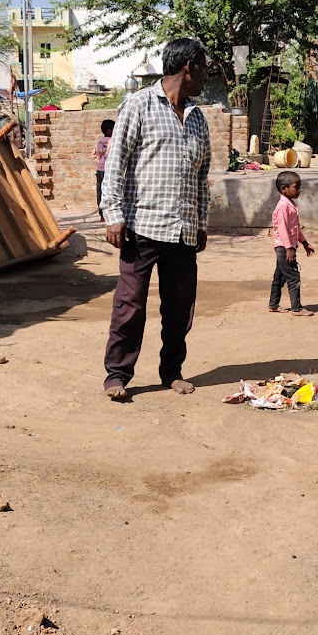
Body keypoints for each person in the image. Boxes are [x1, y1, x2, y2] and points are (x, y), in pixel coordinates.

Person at [100, 37, 211, 401]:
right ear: (188, 68)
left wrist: (202, 222)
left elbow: (201, 176)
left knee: (179, 309)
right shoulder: (139, 105)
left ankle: (171, 371)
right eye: (204, 68)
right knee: (129, 306)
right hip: (141, 229)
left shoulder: (198, 118)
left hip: (183, 230)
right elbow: (115, 164)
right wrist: (113, 214)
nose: (206, 75)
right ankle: (117, 375)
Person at [269, 169, 315, 315]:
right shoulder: (283, 207)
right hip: (284, 247)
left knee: (280, 276)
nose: (299, 190)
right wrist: (289, 248)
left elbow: (295, 228)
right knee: (293, 276)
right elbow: (282, 229)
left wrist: (304, 242)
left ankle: (273, 305)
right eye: (296, 187)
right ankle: (297, 308)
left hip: (287, 246)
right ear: (284, 189)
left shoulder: (290, 204)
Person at [92, 117, 115, 212]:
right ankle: (109, 211)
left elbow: (94, 154)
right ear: (110, 131)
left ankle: (101, 212)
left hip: (99, 169)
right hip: (108, 169)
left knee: (100, 191)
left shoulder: (99, 141)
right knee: (110, 191)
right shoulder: (112, 141)